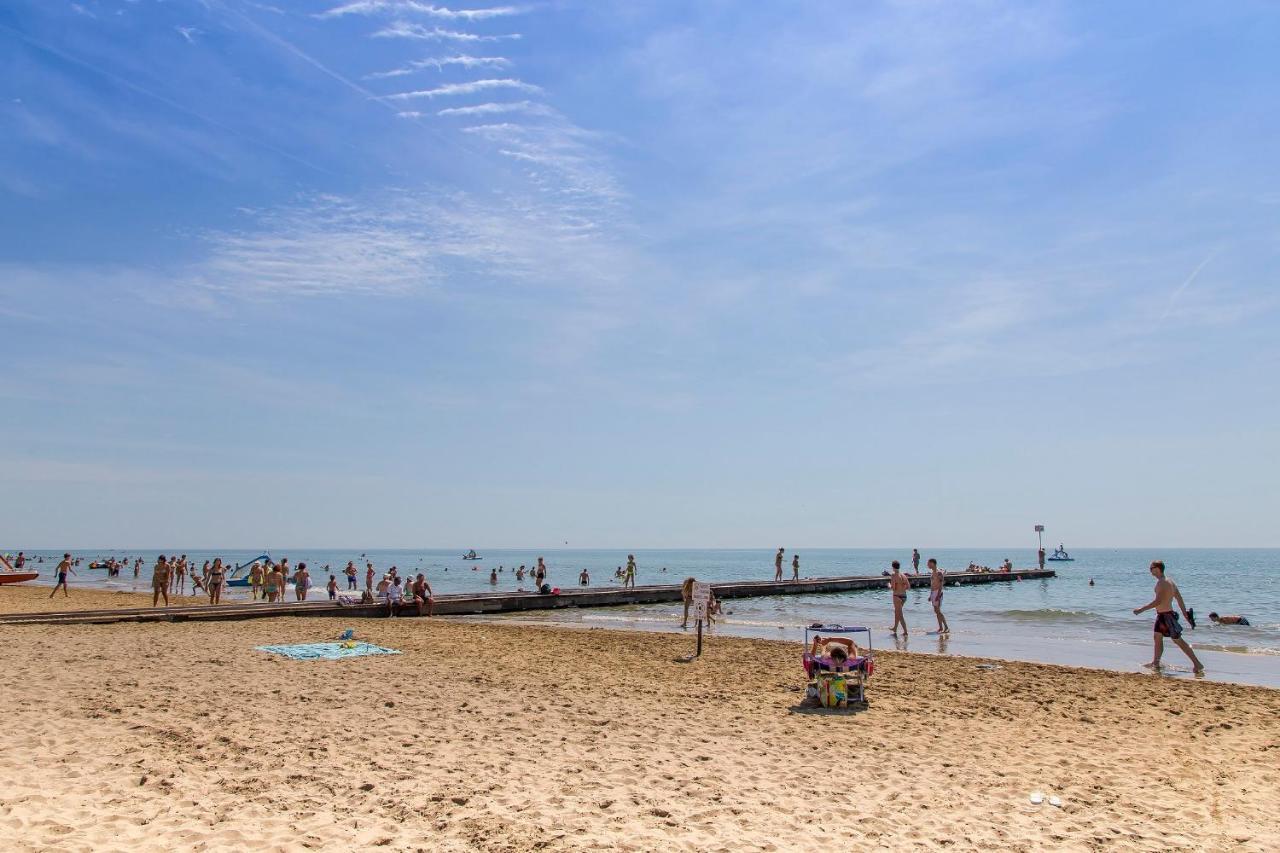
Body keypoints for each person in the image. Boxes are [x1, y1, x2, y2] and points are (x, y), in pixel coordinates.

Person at [1133, 560, 1203, 674]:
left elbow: (1158, 601)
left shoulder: (1162, 583)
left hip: (1166, 617)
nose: (1150, 570)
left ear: (1157, 568)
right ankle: (1156, 662)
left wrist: (1141, 609)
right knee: (1157, 638)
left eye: (1151, 568)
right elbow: (1179, 599)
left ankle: (1197, 664)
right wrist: (1185, 615)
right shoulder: (1170, 581)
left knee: (1178, 641)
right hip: (1163, 615)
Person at [928, 558, 949, 634]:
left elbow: (941, 585)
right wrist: (930, 595)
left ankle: (946, 627)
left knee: (938, 611)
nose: (928, 565)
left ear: (933, 563)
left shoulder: (938, 573)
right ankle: (940, 627)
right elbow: (932, 585)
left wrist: (938, 595)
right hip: (933, 592)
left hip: (938, 593)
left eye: (929, 563)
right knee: (936, 611)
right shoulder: (932, 573)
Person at [888, 560, 909, 635]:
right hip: (904, 596)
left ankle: (905, 631)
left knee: (899, 614)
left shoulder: (893, 575)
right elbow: (908, 586)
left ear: (893, 567)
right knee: (897, 612)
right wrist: (902, 588)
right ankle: (895, 628)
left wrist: (889, 585)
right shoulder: (903, 575)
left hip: (897, 596)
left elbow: (893, 588)